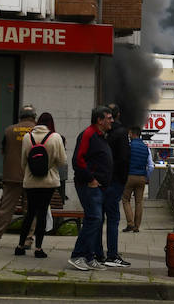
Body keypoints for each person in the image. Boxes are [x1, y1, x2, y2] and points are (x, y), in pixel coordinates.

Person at [0, 103, 38, 247]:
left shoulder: (9, 130)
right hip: (33, 176)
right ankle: (27, 240)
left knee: (5, 208)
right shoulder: (38, 131)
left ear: (20, 116)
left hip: (12, 176)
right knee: (31, 210)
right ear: (34, 116)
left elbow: (3, 150)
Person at [67, 106, 113, 271]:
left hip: (97, 186)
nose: (112, 120)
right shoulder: (88, 134)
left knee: (94, 220)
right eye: (109, 117)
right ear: (99, 120)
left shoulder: (100, 136)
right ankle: (78, 255)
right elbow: (78, 160)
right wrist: (91, 179)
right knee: (94, 219)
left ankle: (89, 256)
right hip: (88, 185)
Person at [16, 111, 66, 258]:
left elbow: (23, 162)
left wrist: (31, 171)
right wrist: (50, 164)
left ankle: (20, 246)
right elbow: (62, 161)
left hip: (30, 182)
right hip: (49, 182)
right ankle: (38, 248)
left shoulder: (27, 137)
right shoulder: (55, 137)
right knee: (42, 213)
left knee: (30, 213)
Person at [100, 103, 131, 267]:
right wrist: (123, 180)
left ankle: (98, 252)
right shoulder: (121, 132)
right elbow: (124, 158)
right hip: (115, 181)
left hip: (102, 181)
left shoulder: (103, 133)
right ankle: (112, 254)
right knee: (113, 218)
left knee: (99, 218)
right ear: (117, 115)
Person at [122, 124, 152, 233]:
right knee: (139, 202)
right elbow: (151, 166)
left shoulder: (129, 146)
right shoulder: (146, 147)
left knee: (125, 200)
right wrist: (146, 177)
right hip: (142, 178)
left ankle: (130, 223)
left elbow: (124, 161)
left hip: (130, 176)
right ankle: (137, 226)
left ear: (132, 134)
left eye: (129, 133)